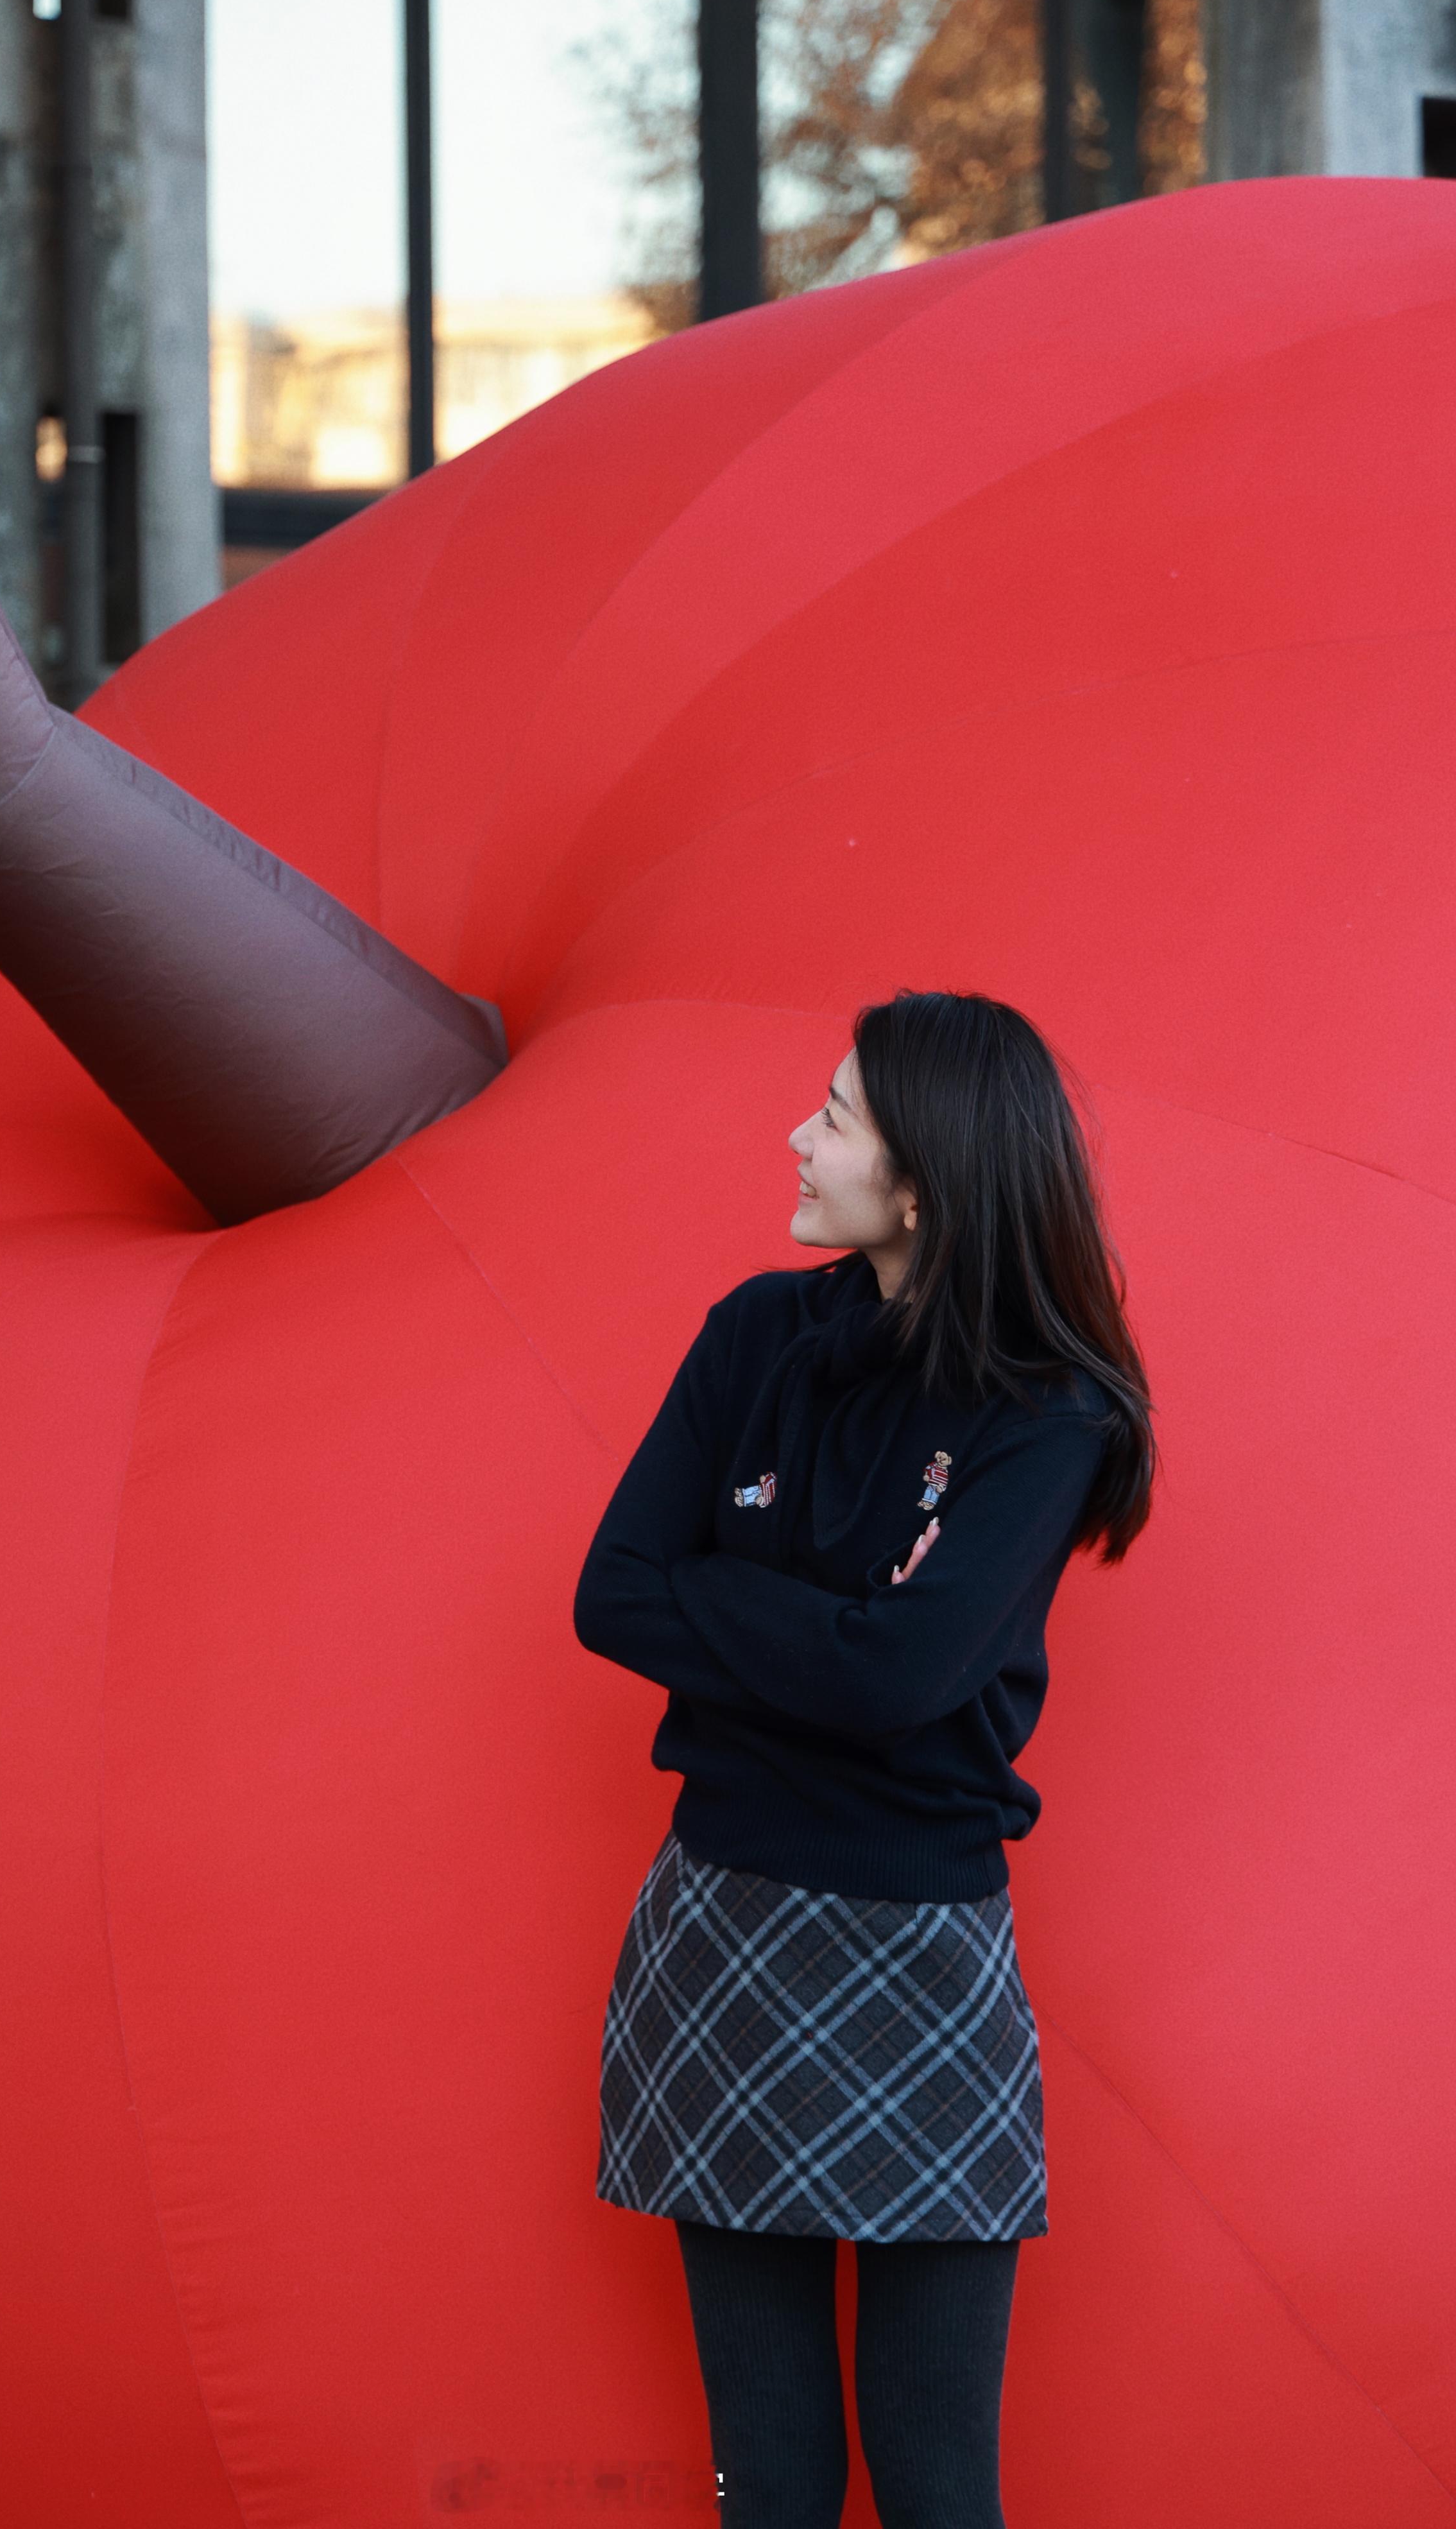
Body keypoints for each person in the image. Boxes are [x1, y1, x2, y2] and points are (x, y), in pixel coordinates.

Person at [572, 990, 1154, 2529]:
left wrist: (764, 1613)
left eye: (833, 1116)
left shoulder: (1051, 1414)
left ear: (924, 1185)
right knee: (766, 2472)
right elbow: (610, 1592)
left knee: (937, 2472)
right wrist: (835, 1633)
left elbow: (902, 1674)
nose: (796, 1135)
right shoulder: (753, 1334)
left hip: (920, 1950)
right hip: (718, 1927)